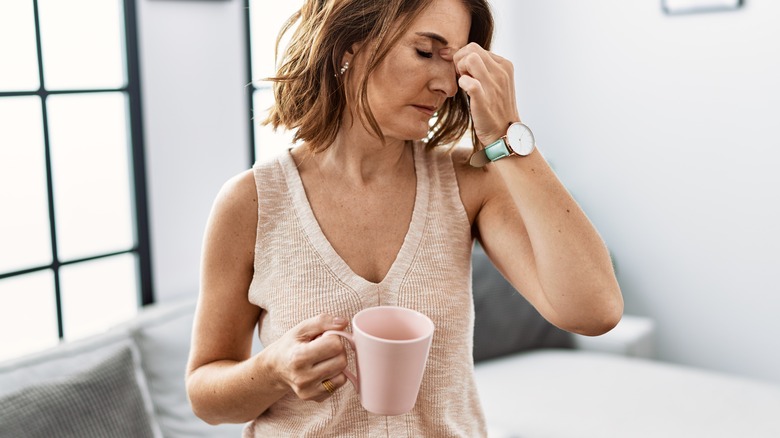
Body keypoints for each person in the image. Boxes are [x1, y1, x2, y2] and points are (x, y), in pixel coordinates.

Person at [186, 0, 623, 435]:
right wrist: (272, 371)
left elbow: (595, 309)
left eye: (455, 64)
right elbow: (205, 395)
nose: (447, 86)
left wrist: (506, 132)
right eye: (426, 52)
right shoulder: (252, 202)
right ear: (348, 45)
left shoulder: (468, 182)